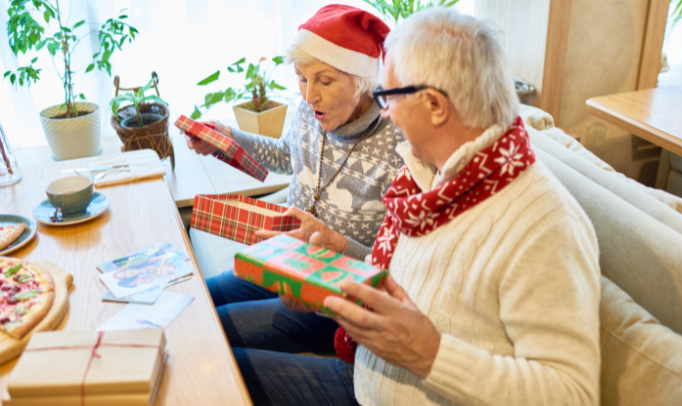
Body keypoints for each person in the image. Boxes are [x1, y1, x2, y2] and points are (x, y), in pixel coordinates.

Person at [234, 8, 602, 406]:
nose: (384, 113)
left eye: (387, 96)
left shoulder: (542, 224)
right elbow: (395, 295)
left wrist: (430, 355)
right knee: (215, 352)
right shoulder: (430, 177)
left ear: (435, 106)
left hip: (381, 389)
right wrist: (329, 284)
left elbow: (573, 395)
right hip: (364, 370)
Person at [185, 5, 407, 366]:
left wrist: (334, 243)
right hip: (287, 256)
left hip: (335, 290)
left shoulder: (398, 141)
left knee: (212, 330)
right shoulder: (311, 108)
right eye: (301, 78)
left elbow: (391, 263)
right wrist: (226, 139)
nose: (308, 96)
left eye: (324, 80)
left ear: (361, 79)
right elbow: (287, 156)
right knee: (195, 299)